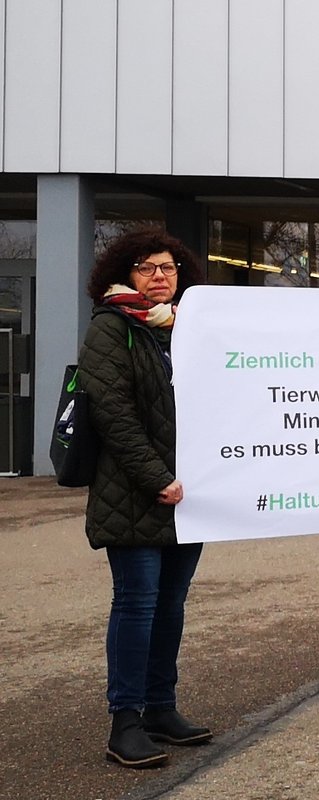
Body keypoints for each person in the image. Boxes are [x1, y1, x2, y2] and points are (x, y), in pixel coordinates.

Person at [78, 229, 210, 768]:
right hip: (135, 493)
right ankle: (125, 721)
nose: (160, 276)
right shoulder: (112, 329)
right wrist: (157, 477)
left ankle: (161, 706)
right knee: (138, 602)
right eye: (146, 267)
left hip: (191, 494)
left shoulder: (190, 330)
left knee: (171, 605)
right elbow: (113, 414)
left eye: (169, 267)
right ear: (123, 274)